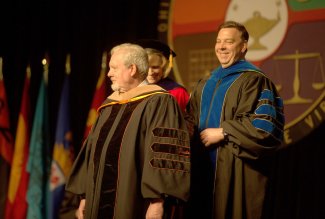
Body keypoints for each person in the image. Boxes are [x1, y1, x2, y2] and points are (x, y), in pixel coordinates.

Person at [65, 43, 191, 219]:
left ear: (132, 69)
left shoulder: (160, 102)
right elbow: (92, 151)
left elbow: (164, 154)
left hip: (136, 201)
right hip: (96, 201)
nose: (109, 73)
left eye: (114, 68)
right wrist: (85, 196)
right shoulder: (109, 105)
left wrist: (157, 203)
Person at [185, 21, 285, 219]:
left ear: (243, 46)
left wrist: (224, 131)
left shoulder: (254, 80)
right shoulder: (205, 83)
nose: (221, 46)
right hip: (201, 170)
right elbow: (190, 119)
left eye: (228, 42)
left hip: (235, 170)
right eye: (218, 41)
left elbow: (265, 129)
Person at [137, 39, 189, 112]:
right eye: (146, 67)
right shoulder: (132, 91)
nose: (150, 72)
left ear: (164, 67)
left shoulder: (177, 92)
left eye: (155, 67)